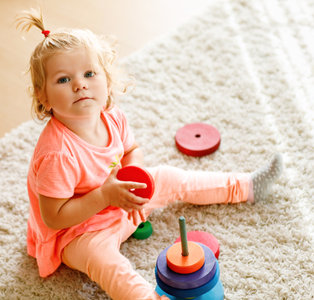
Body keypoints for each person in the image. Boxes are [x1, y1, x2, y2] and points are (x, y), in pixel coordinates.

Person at [16, 8, 283, 300]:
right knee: (108, 264)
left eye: (89, 74)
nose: (80, 84)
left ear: (106, 79)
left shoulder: (112, 116)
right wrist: (105, 196)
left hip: (119, 201)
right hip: (77, 233)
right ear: (42, 96)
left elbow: (132, 150)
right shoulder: (57, 153)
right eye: (63, 80)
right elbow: (54, 217)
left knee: (169, 177)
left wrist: (136, 182)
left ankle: (245, 186)